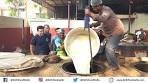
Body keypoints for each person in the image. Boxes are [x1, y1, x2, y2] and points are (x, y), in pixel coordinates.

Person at [85, 0, 124, 70]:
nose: (94, 9)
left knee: (109, 48)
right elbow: (99, 22)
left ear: (99, 5)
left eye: (95, 7)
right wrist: (91, 25)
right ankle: (103, 60)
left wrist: (90, 14)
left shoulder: (106, 10)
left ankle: (115, 66)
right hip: (108, 33)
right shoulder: (100, 12)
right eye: (93, 7)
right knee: (101, 46)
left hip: (117, 32)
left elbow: (102, 19)